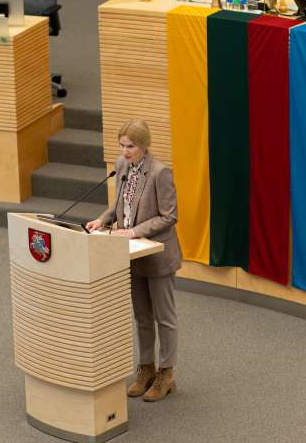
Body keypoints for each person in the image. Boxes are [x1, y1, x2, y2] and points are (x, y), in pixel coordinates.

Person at [85, 119, 181, 403]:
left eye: (131, 146)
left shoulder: (160, 173)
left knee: (164, 318)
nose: (125, 152)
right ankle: (146, 368)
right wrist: (102, 220)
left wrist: (134, 231)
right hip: (131, 253)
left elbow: (169, 216)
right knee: (141, 316)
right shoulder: (122, 166)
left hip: (157, 254)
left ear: (144, 145)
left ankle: (166, 373)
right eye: (122, 145)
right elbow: (119, 206)